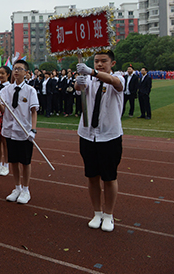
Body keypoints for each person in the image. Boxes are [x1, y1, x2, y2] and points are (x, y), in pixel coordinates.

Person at [75, 50, 124, 232]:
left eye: (104, 61)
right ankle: (97, 212)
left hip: (109, 136)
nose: (100, 64)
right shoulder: (89, 80)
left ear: (113, 63)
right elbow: (78, 88)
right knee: (92, 176)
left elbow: (115, 83)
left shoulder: (118, 78)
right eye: (96, 61)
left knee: (109, 178)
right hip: (88, 135)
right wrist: (78, 83)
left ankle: (109, 215)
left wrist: (92, 72)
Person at [0, 59, 39, 205]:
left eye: (20, 69)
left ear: (26, 73)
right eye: (14, 68)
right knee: (13, 161)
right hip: (10, 130)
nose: (16, 71)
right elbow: (4, 111)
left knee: (25, 162)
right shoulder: (6, 90)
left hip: (24, 131)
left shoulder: (30, 91)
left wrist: (33, 130)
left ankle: (26, 189)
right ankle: (17, 187)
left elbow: (33, 111)